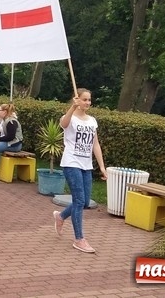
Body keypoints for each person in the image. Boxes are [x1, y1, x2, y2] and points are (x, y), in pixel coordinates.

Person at [53, 88, 107, 254]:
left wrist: (102, 167)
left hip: (86, 165)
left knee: (84, 202)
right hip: (71, 162)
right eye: (84, 100)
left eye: (89, 100)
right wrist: (72, 107)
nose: (88, 103)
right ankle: (79, 239)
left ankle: (61, 216)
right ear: (77, 100)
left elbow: (95, 144)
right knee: (79, 200)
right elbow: (63, 124)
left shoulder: (92, 121)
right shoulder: (69, 118)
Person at [0, 103, 24, 175]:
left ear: (5, 112)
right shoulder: (2, 120)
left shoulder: (11, 121)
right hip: (7, 142)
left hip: (14, 145)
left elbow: (10, 137)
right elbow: (1, 133)